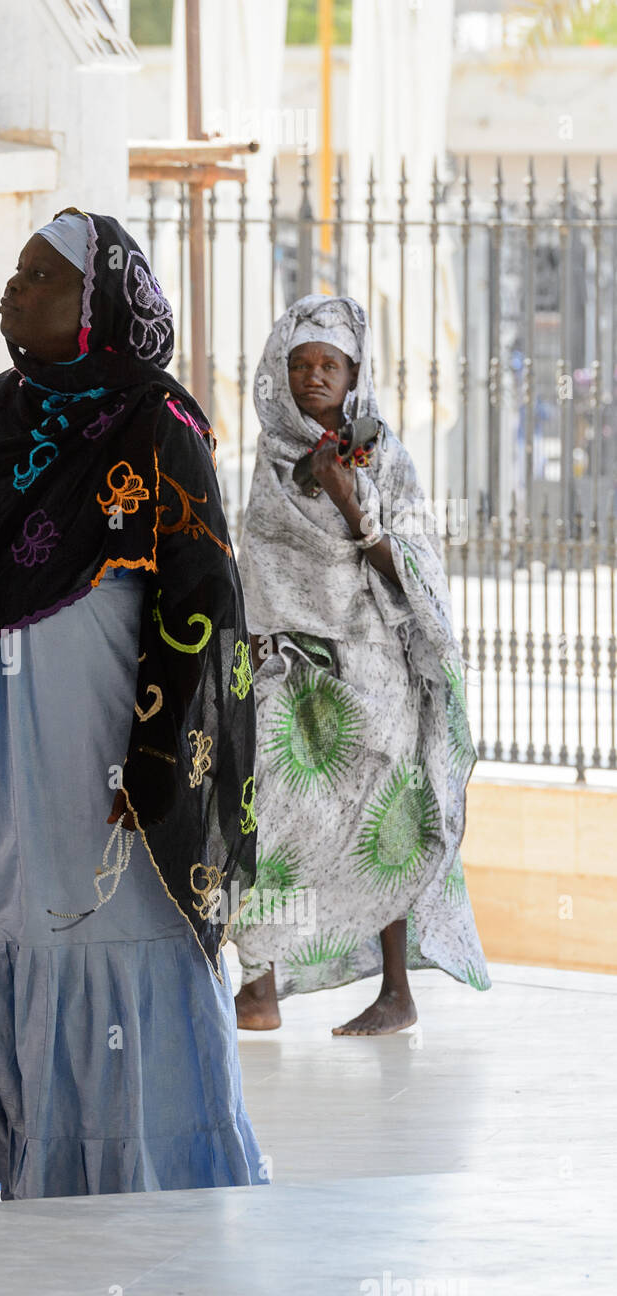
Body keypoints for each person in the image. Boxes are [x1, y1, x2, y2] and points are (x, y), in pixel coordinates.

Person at [0, 209, 264, 1201]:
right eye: (14, 273)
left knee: (112, 924)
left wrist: (158, 754)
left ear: (98, 302)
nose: (14, 290)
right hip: (1, 738)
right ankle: (40, 1152)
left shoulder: (157, 423)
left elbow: (201, 597)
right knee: (12, 913)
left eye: (41, 276)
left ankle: (153, 1163)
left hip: (109, 739)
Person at [231, 293, 488, 1035]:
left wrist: (351, 502)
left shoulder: (389, 459)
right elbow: (264, 565)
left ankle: (396, 992)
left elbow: (413, 566)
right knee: (273, 807)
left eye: (330, 366)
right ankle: (260, 985)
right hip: (290, 665)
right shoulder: (272, 463)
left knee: (391, 818)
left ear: (354, 376)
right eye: (301, 364)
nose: (314, 377)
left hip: (377, 667)